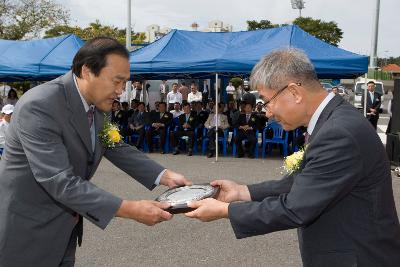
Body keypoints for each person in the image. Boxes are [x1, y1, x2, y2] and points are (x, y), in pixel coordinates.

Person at [185, 48, 400, 267]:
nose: (267, 112)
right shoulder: (333, 120)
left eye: (267, 101)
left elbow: (295, 208)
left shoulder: (339, 132)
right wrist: (241, 192)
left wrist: (225, 210)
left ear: (295, 93)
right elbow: (304, 181)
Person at [0, 37, 191, 266]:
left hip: (65, 228)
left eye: (125, 83)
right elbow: (59, 180)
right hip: (28, 229)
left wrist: (165, 175)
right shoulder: (40, 105)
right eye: (117, 82)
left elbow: (114, 145)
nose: (121, 91)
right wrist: (129, 209)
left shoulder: (98, 104)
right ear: (87, 71)